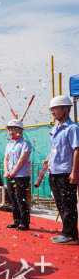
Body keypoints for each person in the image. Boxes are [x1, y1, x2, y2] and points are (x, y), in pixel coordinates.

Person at [44, 95, 79, 244]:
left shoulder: (73, 128)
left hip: (65, 172)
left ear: (65, 109)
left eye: (55, 109)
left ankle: (71, 235)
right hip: (54, 171)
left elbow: (77, 150)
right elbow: (54, 149)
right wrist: (48, 161)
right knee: (60, 203)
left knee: (68, 204)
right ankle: (66, 232)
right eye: (51, 109)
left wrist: (74, 171)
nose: (52, 112)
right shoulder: (55, 129)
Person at [4, 119, 32, 231]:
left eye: (12, 129)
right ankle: (16, 221)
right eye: (9, 129)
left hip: (21, 176)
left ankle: (24, 222)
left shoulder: (25, 144)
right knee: (13, 199)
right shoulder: (9, 144)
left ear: (19, 130)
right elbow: (5, 159)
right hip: (10, 176)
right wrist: (6, 171)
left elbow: (22, 160)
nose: (10, 132)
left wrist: (13, 172)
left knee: (21, 199)